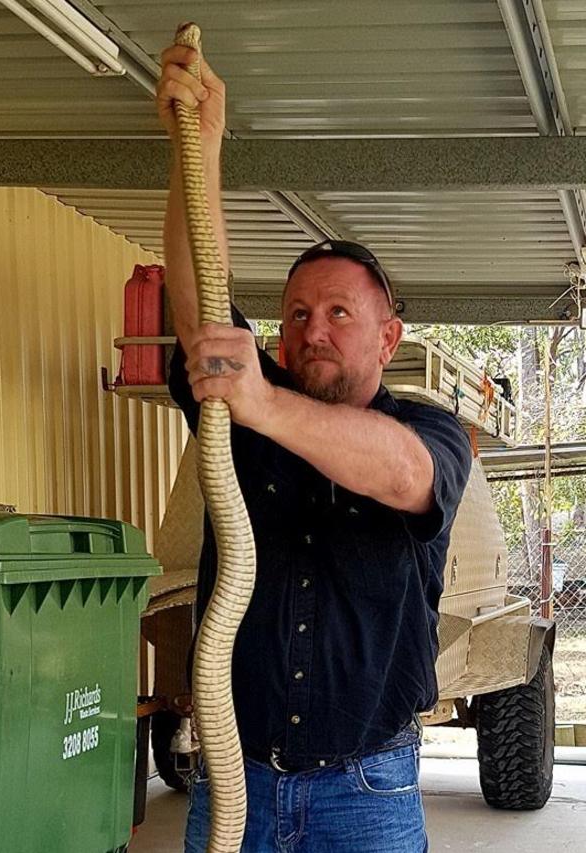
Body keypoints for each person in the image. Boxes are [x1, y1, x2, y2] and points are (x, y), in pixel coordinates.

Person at [157, 44, 472, 853]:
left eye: (339, 313)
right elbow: (200, 314)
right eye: (297, 315)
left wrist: (258, 397)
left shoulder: (425, 429)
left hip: (367, 786)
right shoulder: (245, 417)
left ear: (388, 337)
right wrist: (197, 148)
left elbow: (406, 475)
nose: (313, 329)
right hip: (236, 777)